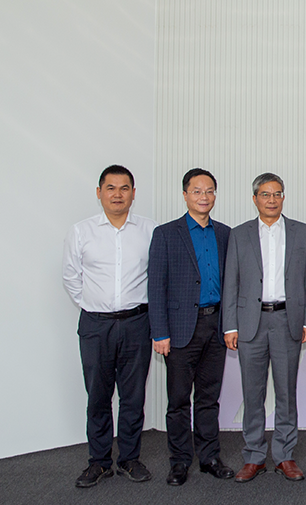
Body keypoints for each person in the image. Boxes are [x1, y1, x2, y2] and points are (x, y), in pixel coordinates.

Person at [63, 164, 156, 488]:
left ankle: (129, 458)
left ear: (133, 193)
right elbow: (71, 277)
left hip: (137, 323)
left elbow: (157, 276)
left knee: (133, 396)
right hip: (95, 325)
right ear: (99, 192)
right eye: (111, 188)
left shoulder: (149, 230)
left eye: (124, 188)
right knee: (98, 396)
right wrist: (94, 305)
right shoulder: (81, 231)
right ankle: (99, 462)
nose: (118, 194)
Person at [222, 173, 306, 482]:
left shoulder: (302, 232)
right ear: (255, 199)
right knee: (253, 392)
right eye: (265, 194)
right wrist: (230, 326)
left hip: (287, 319)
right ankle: (254, 456)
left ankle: (285, 455)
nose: (272, 199)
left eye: (277, 194)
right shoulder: (239, 234)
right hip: (251, 322)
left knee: (286, 392)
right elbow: (231, 282)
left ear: (283, 197)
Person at [147, 168, 235, 485]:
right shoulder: (166, 234)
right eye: (197, 191)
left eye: (209, 191)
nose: (204, 197)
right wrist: (160, 332)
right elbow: (156, 287)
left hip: (216, 325)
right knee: (179, 400)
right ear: (185, 195)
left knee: (209, 398)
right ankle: (180, 460)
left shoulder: (225, 234)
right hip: (181, 328)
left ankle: (210, 457)